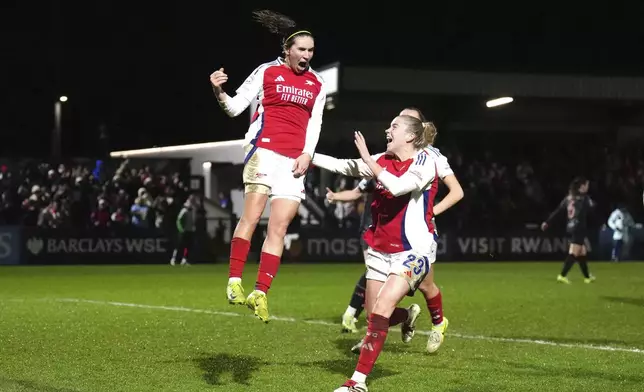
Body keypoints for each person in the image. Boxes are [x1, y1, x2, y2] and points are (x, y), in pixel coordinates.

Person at [313, 114, 453, 391]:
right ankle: (408, 316)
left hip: (413, 251)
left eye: (394, 127)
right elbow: (344, 166)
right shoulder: (382, 158)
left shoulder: (426, 162)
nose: (387, 130)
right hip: (380, 249)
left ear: (410, 137)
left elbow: (399, 186)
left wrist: (368, 158)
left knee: (382, 309)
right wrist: (307, 154)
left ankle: (358, 382)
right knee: (374, 313)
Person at [209, 10, 326, 323]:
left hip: (293, 162)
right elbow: (234, 108)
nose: (307, 55)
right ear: (287, 50)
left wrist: (307, 154)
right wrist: (219, 91)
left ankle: (260, 292)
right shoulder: (265, 72)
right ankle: (234, 281)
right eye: (301, 49)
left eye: (311, 50)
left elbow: (315, 123)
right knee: (252, 216)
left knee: (280, 228)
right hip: (264, 152)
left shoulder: (317, 82)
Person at [541, 176, 596, 284]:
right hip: (579, 227)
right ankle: (562, 275)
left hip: (570, 227)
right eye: (586, 185)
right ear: (582, 186)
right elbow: (592, 209)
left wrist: (547, 222)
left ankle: (587, 277)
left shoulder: (568, 198)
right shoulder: (584, 198)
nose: (588, 187)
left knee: (582, 252)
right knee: (574, 253)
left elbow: (557, 211)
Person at [171, 195, 197, 266]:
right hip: (184, 231)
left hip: (190, 231)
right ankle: (174, 259)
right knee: (180, 246)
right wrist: (181, 229)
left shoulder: (193, 210)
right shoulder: (184, 211)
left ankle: (185, 259)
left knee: (189, 246)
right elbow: (178, 220)